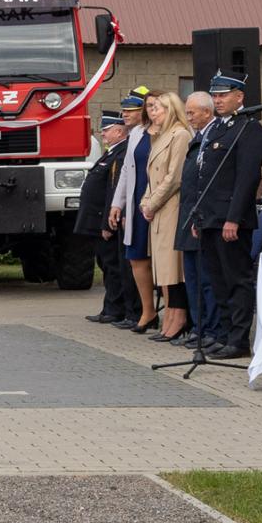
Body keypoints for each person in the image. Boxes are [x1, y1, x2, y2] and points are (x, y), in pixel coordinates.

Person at [190, 71, 262, 360]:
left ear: (240, 97)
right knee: (217, 279)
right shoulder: (218, 129)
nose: (218, 100)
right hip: (210, 218)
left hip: (230, 220)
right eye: (216, 95)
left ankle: (238, 339)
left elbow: (246, 179)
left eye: (224, 95)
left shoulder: (249, 129)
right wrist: (200, 218)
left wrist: (233, 218)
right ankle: (222, 334)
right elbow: (205, 177)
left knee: (236, 279)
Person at [140, 91, 193, 343]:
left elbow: (174, 177)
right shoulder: (159, 137)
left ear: (171, 110)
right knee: (163, 266)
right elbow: (151, 177)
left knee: (173, 266)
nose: (153, 112)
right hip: (158, 209)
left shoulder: (180, 134)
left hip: (172, 207)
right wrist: (145, 202)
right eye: (152, 108)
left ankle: (178, 317)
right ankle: (170, 316)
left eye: (158, 108)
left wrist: (153, 203)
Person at [80, 112, 138, 326]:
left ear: (119, 131)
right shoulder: (112, 153)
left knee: (113, 266)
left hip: (106, 221)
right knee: (106, 265)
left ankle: (115, 309)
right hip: (98, 219)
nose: (102, 134)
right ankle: (110, 307)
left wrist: (106, 223)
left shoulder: (121, 154)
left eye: (107, 130)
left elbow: (113, 192)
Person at [177, 93, 223, 351]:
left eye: (192, 112)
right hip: (189, 215)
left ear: (207, 112)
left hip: (203, 217)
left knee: (206, 278)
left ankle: (211, 328)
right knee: (192, 277)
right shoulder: (197, 138)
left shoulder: (213, 135)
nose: (189, 117)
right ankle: (198, 326)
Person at [108, 87, 155, 334]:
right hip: (136, 201)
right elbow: (127, 171)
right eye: (123, 110)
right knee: (136, 256)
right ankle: (147, 311)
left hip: (157, 202)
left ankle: (168, 315)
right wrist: (118, 204)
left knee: (161, 262)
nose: (125, 114)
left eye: (131, 110)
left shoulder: (162, 131)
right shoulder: (136, 133)